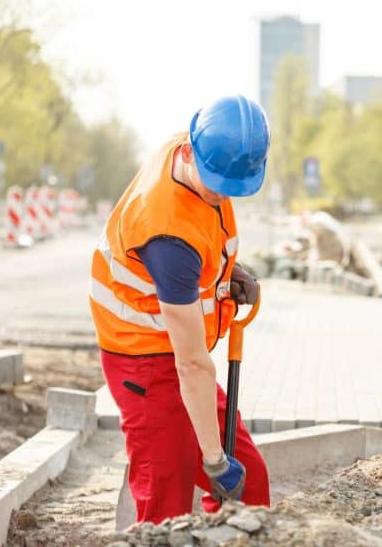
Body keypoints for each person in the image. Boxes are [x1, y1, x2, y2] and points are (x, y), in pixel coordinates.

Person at [89, 95, 271, 522]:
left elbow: (204, 239)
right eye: (217, 184)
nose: (222, 195)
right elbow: (191, 364)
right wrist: (214, 460)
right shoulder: (169, 239)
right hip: (144, 365)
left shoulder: (202, 150)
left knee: (251, 485)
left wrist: (230, 274)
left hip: (176, 352)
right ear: (189, 152)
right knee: (165, 504)